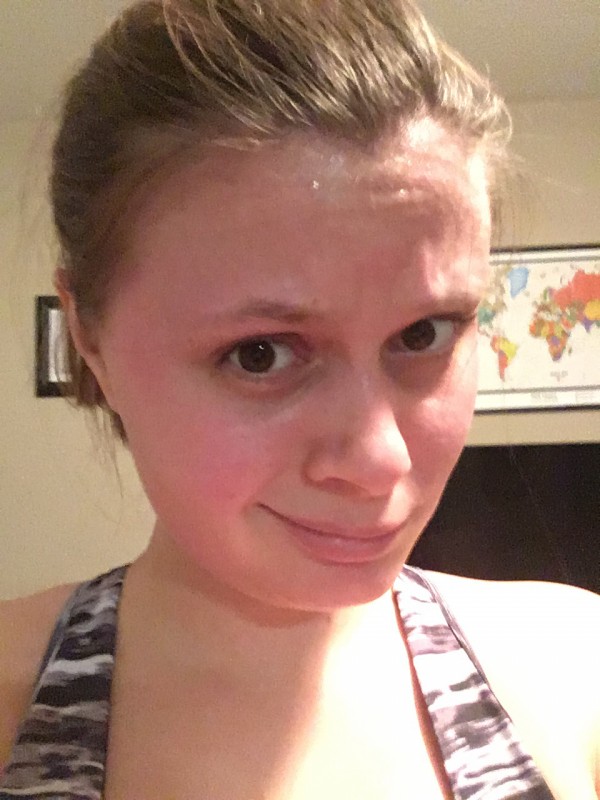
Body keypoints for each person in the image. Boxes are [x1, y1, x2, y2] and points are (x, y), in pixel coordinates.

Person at [0, 0, 598, 797]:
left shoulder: (575, 673)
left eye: (424, 334)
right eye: (261, 355)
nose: (380, 460)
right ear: (89, 336)